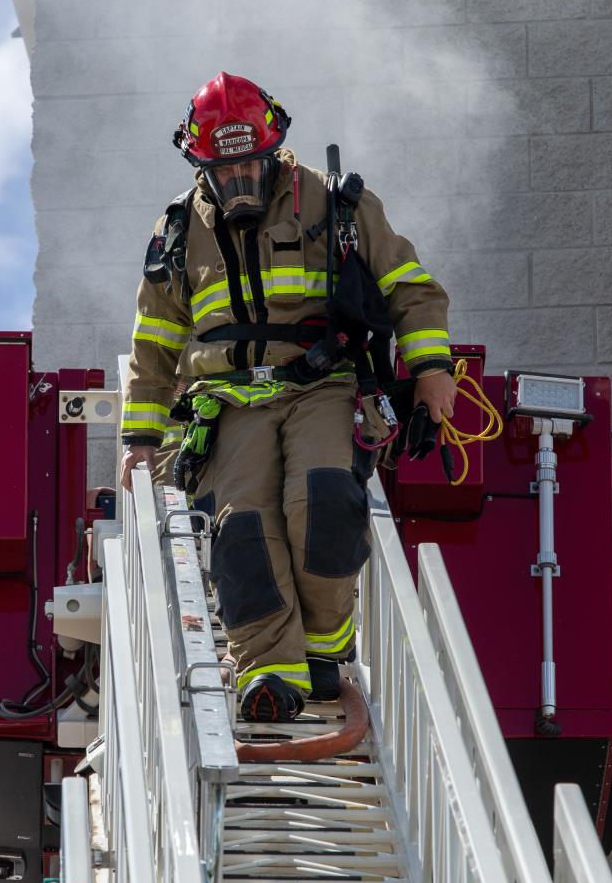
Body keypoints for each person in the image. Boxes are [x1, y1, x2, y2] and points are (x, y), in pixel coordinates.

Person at [119, 72, 455, 723]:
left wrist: (432, 367)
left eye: (251, 161)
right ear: (199, 162)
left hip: (321, 388)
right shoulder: (178, 231)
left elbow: (410, 287)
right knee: (242, 528)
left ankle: (324, 646)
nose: (240, 177)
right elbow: (154, 344)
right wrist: (138, 440)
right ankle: (270, 669)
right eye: (224, 167)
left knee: (324, 499)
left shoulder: (337, 206)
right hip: (227, 401)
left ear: (275, 148)